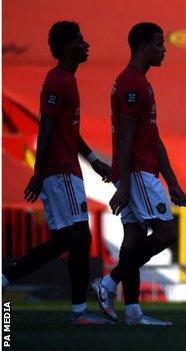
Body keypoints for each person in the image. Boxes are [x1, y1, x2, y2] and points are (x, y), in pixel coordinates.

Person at [2, 21, 113, 325]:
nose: (86, 45)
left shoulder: (67, 79)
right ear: (67, 48)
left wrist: (93, 160)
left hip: (67, 169)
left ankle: (4, 279)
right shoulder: (57, 80)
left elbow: (68, 131)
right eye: (80, 40)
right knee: (79, 236)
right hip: (59, 171)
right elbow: (47, 127)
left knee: (66, 240)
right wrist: (38, 172)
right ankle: (79, 312)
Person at [90, 22, 186, 326]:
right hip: (138, 172)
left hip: (138, 170)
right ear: (144, 46)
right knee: (168, 232)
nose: (164, 49)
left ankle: (132, 311)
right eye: (159, 44)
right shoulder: (132, 84)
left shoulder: (138, 82)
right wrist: (127, 183)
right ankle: (107, 283)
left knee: (133, 237)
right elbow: (127, 137)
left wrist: (172, 180)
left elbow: (153, 137)